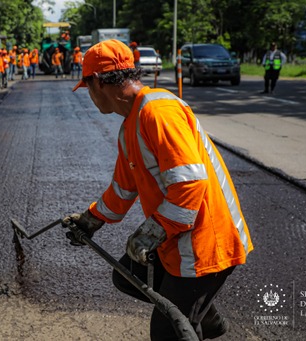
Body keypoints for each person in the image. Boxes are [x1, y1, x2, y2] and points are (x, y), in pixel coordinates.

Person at [67, 39, 253, 341]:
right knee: (127, 277)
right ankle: (205, 318)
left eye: (86, 87)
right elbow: (122, 190)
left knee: (168, 331)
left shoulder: (159, 112)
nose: (89, 95)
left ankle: (195, 318)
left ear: (98, 82)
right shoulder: (131, 125)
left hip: (205, 245)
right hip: (178, 238)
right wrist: (90, 220)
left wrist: (152, 232)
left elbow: (190, 184)